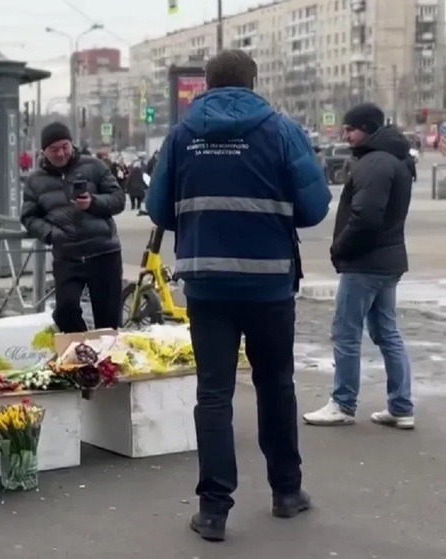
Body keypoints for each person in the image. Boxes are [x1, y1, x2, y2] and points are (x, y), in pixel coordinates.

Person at [146, 49, 331, 542]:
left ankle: (212, 511)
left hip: (206, 285)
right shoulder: (281, 130)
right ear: (254, 80)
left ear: (205, 84)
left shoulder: (183, 135)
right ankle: (287, 493)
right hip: (268, 284)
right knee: (276, 384)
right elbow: (314, 208)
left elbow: (157, 208)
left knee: (213, 394)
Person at [303, 103, 415, 429]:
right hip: (389, 260)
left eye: (351, 129)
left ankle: (343, 403)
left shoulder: (374, 162)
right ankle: (401, 406)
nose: (346, 134)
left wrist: (340, 248)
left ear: (366, 128)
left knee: (346, 332)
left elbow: (365, 218)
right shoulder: (395, 158)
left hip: (365, 262)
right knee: (386, 332)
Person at [20, 122, 126, 333]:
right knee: (65, 311)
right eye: (54, 149)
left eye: (65, 147)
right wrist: (52, 234)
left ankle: (106, 361)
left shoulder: (95, 166)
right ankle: (83, 352)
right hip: (67, 256)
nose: (61, 153)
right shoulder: (35, 181)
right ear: (44, 152)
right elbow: (29, 218)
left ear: (72, 144)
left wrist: (93, 202)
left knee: (108, 322)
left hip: (103, 252)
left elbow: (118, 199)